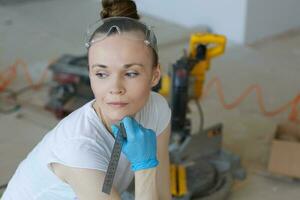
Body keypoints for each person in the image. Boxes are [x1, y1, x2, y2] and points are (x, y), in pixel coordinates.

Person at [1, 0, 172, 199]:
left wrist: (148, 168)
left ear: (154, 75)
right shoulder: (79, 147)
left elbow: (162, 195)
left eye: (131, 73)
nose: (115, 89)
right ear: (90, 74)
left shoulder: (157, 110)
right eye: (101, 74)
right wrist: (145, 167)